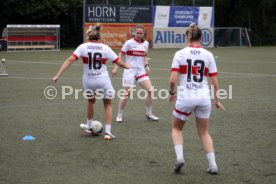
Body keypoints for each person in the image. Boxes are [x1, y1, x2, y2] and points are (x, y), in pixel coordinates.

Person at [52, 23, 131, 140]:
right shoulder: (105, 48)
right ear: (100, 37)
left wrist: (57, 75)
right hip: (103, 81)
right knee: (107, 104)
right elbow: (118, 62)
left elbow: (70, 60)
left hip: (88, 81)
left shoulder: (83, 47)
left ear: (89, 36)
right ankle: (108, 133)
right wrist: (126, 65)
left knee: (91, 101)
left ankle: (89, 128)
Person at [169, 24, 225, 174]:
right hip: (203, 98)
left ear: (187, 37)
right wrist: (216, 100)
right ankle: (213, 165)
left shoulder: (179, 54)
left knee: (176, 128)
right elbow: (214, 81)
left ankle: (180, 158)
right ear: (201, 37)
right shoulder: (208, 55)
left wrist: (172, 93)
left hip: (186, 96)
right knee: (204, 133)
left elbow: (173, 80)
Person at [112, 25, 159, 122]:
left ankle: (149, 113)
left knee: (150, 90)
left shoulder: (146, 44)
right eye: (137, 33)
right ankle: (119, 115)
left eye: (141, 33)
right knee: (127, 92)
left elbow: (145, 56)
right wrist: (116, 68)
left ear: (143, 34)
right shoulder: (129, 43)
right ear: (134, 33)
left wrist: (146, 65)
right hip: (129, 69)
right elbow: (120, 55)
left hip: (140, 70)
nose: (139, 35)